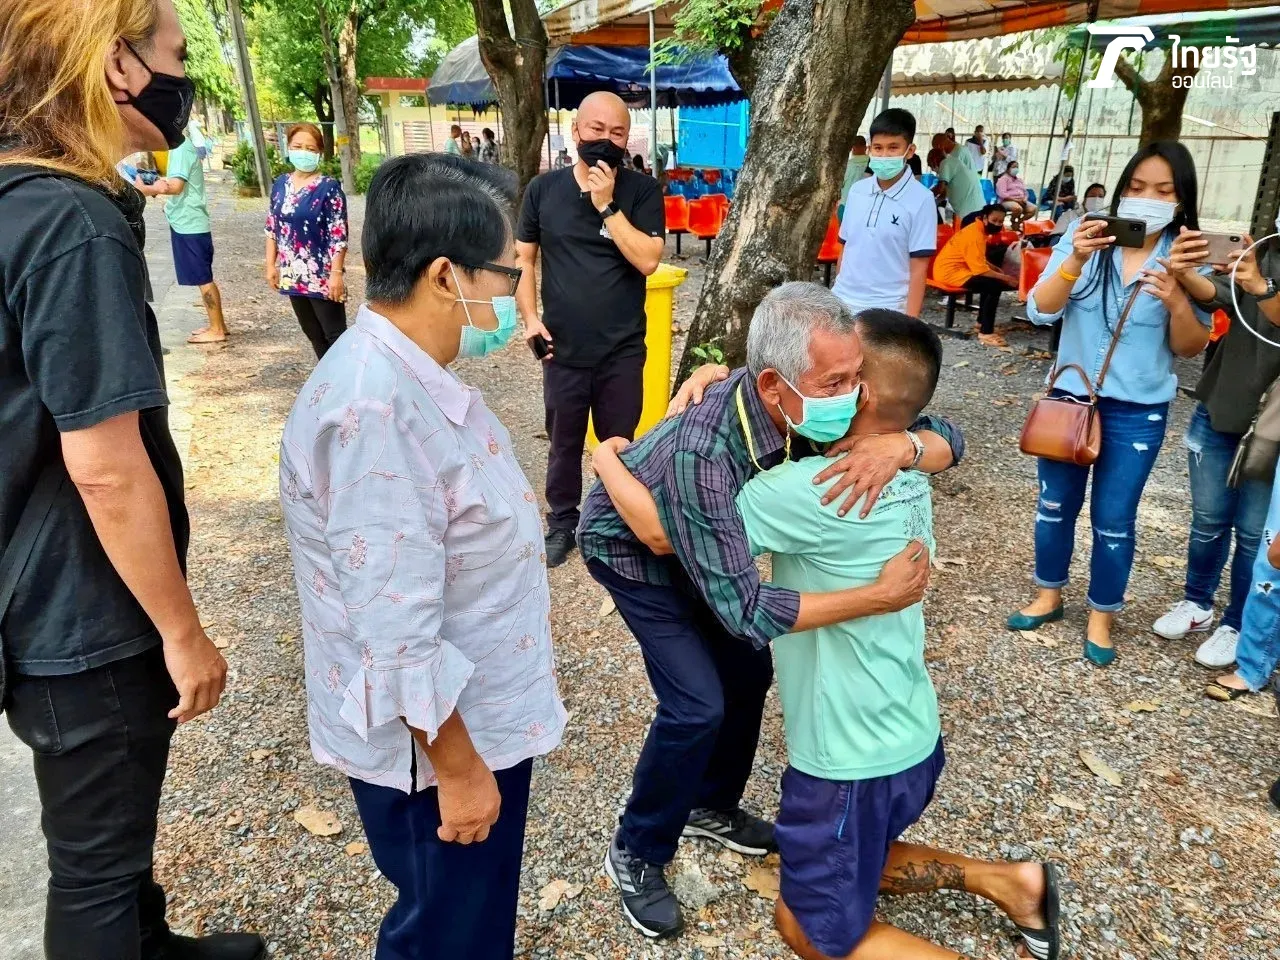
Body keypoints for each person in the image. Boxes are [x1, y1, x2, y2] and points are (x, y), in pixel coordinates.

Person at [592, 310, 1059, 960]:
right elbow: (938, 431)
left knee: (808, 930)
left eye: (843, 374)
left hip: (847, 763)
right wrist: (908, 447)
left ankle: (685, 821)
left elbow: (679, 541)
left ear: (861, 394)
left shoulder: (807, 487)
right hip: (911, 734)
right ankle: (1016, 885)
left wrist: (605, 456)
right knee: (717, 709)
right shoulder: (906, 463)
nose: (829, 381)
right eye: (826, 374)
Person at [0, 1, 264, 957]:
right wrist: (183, 633)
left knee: (111, 821)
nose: (184, 77)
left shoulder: (18, 199)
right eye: (176, 54)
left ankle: (149, 942)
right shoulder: (70, 222)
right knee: (95, 867)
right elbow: (106, 468)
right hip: (78, 609)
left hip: (33, 592)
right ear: (117, 65)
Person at [278, 153, 566, 960]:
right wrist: (462, 771)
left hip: (467, 724)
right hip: (436, 751)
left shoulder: (409, 377)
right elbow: (398, 633)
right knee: (451, 934)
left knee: (457, 922)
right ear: (446, 276)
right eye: (505, 273)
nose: (513, 293)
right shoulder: (375, 409)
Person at [1009, 141, 1211, 666]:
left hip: (1137, 410)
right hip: (1069, 398)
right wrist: (1076, 258)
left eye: (1163, 191)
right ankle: (1048, 595)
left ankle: (1101, 615)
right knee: (1054, 505)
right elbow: (1040, 310)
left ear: (1182, 200)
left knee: (1114, 518)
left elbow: (1191, 346)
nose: (1147, 199)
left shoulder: (1186, 256)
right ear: (1121, 191)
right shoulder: (1088, 236)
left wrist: (1176, 298)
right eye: (1137, 187)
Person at [516, 91, 665, 568]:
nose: (605, 140)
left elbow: (648, 260)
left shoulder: (642, 192)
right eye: (596, 129)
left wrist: (606, 205)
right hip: (562, 347)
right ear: (575, 131)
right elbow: (524, 259)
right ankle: (562, 522)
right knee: (563, 443)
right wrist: (530, 319)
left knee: (619, 443)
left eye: (617, 133)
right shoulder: (544, 190)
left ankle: (613, 519)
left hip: (622, 348)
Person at [1157, 218, 1280, 676]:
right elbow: (1217, 295)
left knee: (1253, 534)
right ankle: (1197, 602)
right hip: (1220, 406)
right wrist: (1186, 272)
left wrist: (1263, 287)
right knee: (1208, 520)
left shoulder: (1264, 271)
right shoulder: (1265, 250)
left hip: (1272, 426)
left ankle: (1237, 623)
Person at [831, 109, 936, 318]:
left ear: (910, 151)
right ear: (869, 149)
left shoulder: (922, 199)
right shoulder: (857, 191)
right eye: (878, 148)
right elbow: (845, 247)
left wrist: (909, 324)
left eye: (893, 148)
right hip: (842, 301)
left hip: (888, 309)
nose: (884, 155)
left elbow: (919, 269)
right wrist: (837, 294)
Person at [264, 122, 349, 359]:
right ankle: (326, 377)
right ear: (289, 148)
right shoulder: (280, 185)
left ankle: (347, 379)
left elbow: (338, 234)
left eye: (310, 149)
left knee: (335, 336)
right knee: (313, 333)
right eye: (298, 146)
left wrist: (336, 273)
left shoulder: (329, 188)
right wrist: (270, 265)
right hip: (292, 273)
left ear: (320, 152)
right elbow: (272, 227)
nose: (304, 152)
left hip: (321, 274)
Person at [135, 132, 228, 343]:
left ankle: (217, 330)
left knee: (203, 278)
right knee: (202, 276)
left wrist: (145, 190)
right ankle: (218, 324)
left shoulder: (180, 148)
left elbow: (176, 186)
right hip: (186, 221)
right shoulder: (178, 148)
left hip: (189, 223)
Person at [933, 204, 1018, 345]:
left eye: (1000, 222)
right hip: (950, 274)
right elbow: (981, 270)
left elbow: (978, 258)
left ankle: (981, 322)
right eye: (994, 220)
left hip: (960, 270)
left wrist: (995, 269)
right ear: (985, 218)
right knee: (994, 286)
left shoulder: (978, 230)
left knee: (991, 282)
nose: (997, 224)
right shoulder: (975, 234)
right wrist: (1006, 278)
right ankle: (986, 332)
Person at [933, 131, 984, 225]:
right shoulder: (955, 153)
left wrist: (928, 196)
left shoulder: (955, 155)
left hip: (969, 203)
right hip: (971, 201)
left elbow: (942, 187)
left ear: (940, 146)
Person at [838, 135, 869, 220]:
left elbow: (840, 184)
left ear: (852, 148)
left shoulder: (847, 165)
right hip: (864, 207)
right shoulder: (871, 165)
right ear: (865, 148)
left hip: (845, 204)